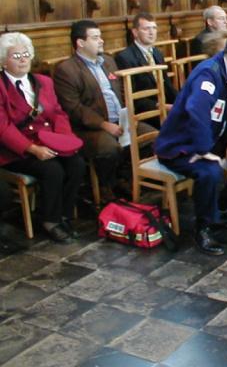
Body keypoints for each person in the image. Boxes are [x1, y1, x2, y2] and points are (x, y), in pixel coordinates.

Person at [154, 31, 227, 255]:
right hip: (180, 144)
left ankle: (224, 205)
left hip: (209, 137)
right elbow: (196, 110)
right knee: (210, 172)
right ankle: (203, 227)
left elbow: (225, 113)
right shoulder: (208, 74)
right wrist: (203, 149)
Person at [54, 20, 155, 202]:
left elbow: (122, 91)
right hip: (90, 127)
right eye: (95, 38)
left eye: (100, 36)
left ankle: (126, 177)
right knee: (109, 148)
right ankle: (106, 185)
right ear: (80, 42)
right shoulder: (66, 70)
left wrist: (128, 116)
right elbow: (74, 108)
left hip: (120, 120)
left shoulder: (108, 61)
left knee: (152, 136)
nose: (101, 41)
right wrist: (103, 124)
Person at [0, 33, 85, 243]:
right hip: (16, 149)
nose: (23, 59)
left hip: (48, 141)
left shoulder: (44, 82)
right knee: (52, 169)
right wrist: (33, 149)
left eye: (26, 54)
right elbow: (3, 128)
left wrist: (64, 140)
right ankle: (50, 220)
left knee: (77, 164)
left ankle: (64, 214)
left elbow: (58, 113)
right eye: (16, 55)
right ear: (3, 61)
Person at [115, 12, 177, 123]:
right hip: (146, 111)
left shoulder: (157, 53)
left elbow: (167, 84)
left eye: (154, 28)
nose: (151, 32)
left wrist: (182, 101)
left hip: (164, 105)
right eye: (146, 29)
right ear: (135, 32)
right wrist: (162, 106)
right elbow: (132, 98)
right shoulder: (125, 58)